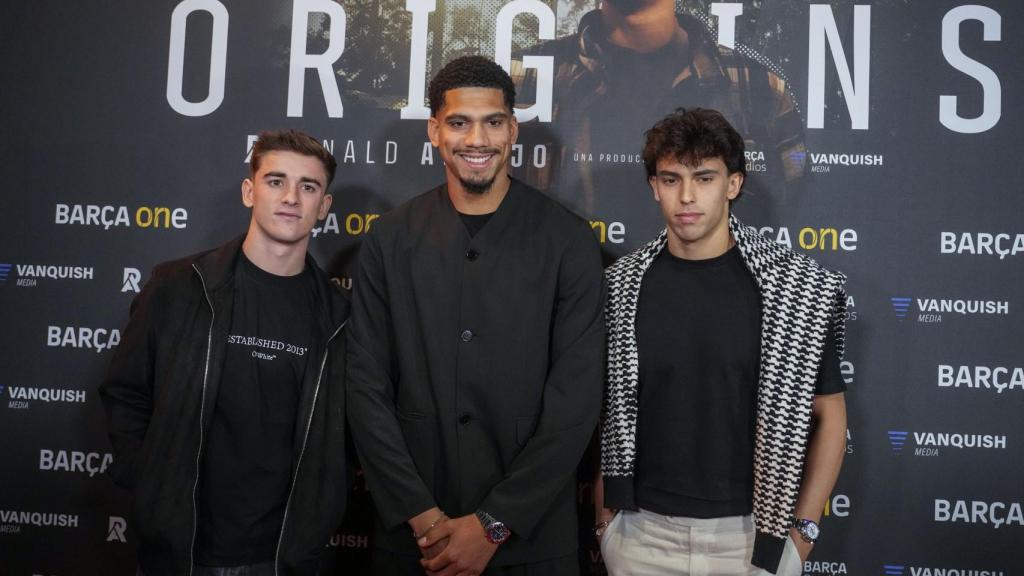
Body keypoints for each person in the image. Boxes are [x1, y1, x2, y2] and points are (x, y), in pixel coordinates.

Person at [346, 55, 605, 575]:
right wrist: (423, 518)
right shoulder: (389, 239)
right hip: (415, 541)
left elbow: (575, 403)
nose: (477, 139)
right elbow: (364, 387)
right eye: (459, 123)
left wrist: (494, 523)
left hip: (530, 543)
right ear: (434, 131)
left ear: (512, 129)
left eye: (492, 122)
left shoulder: (568, 241)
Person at [597, 108, 847, 575]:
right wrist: (605, 523)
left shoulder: (797, 289)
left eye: (704, 178)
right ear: (654, 186)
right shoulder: (619, 287)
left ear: (733, 184)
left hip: (755, 538)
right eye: (671, 180)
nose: (687, 196)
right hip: (639, 536)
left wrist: (803, 532)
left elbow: (830, 415)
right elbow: (603, 410)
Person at [100, 130, 350, 576]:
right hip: (179, 549)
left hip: (282, 557)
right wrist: (149, 482)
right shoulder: (177, 288)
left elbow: (350, 433)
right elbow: (126, 394)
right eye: (276, 181)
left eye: (308, 187)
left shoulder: (340, 318)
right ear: (249, 191)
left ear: (324, 206)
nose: (291, 197)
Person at [515, 0, 806, 216]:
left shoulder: (759, 87)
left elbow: (796, 210)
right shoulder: (521, 77)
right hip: (568, 293)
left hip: (705, 292)